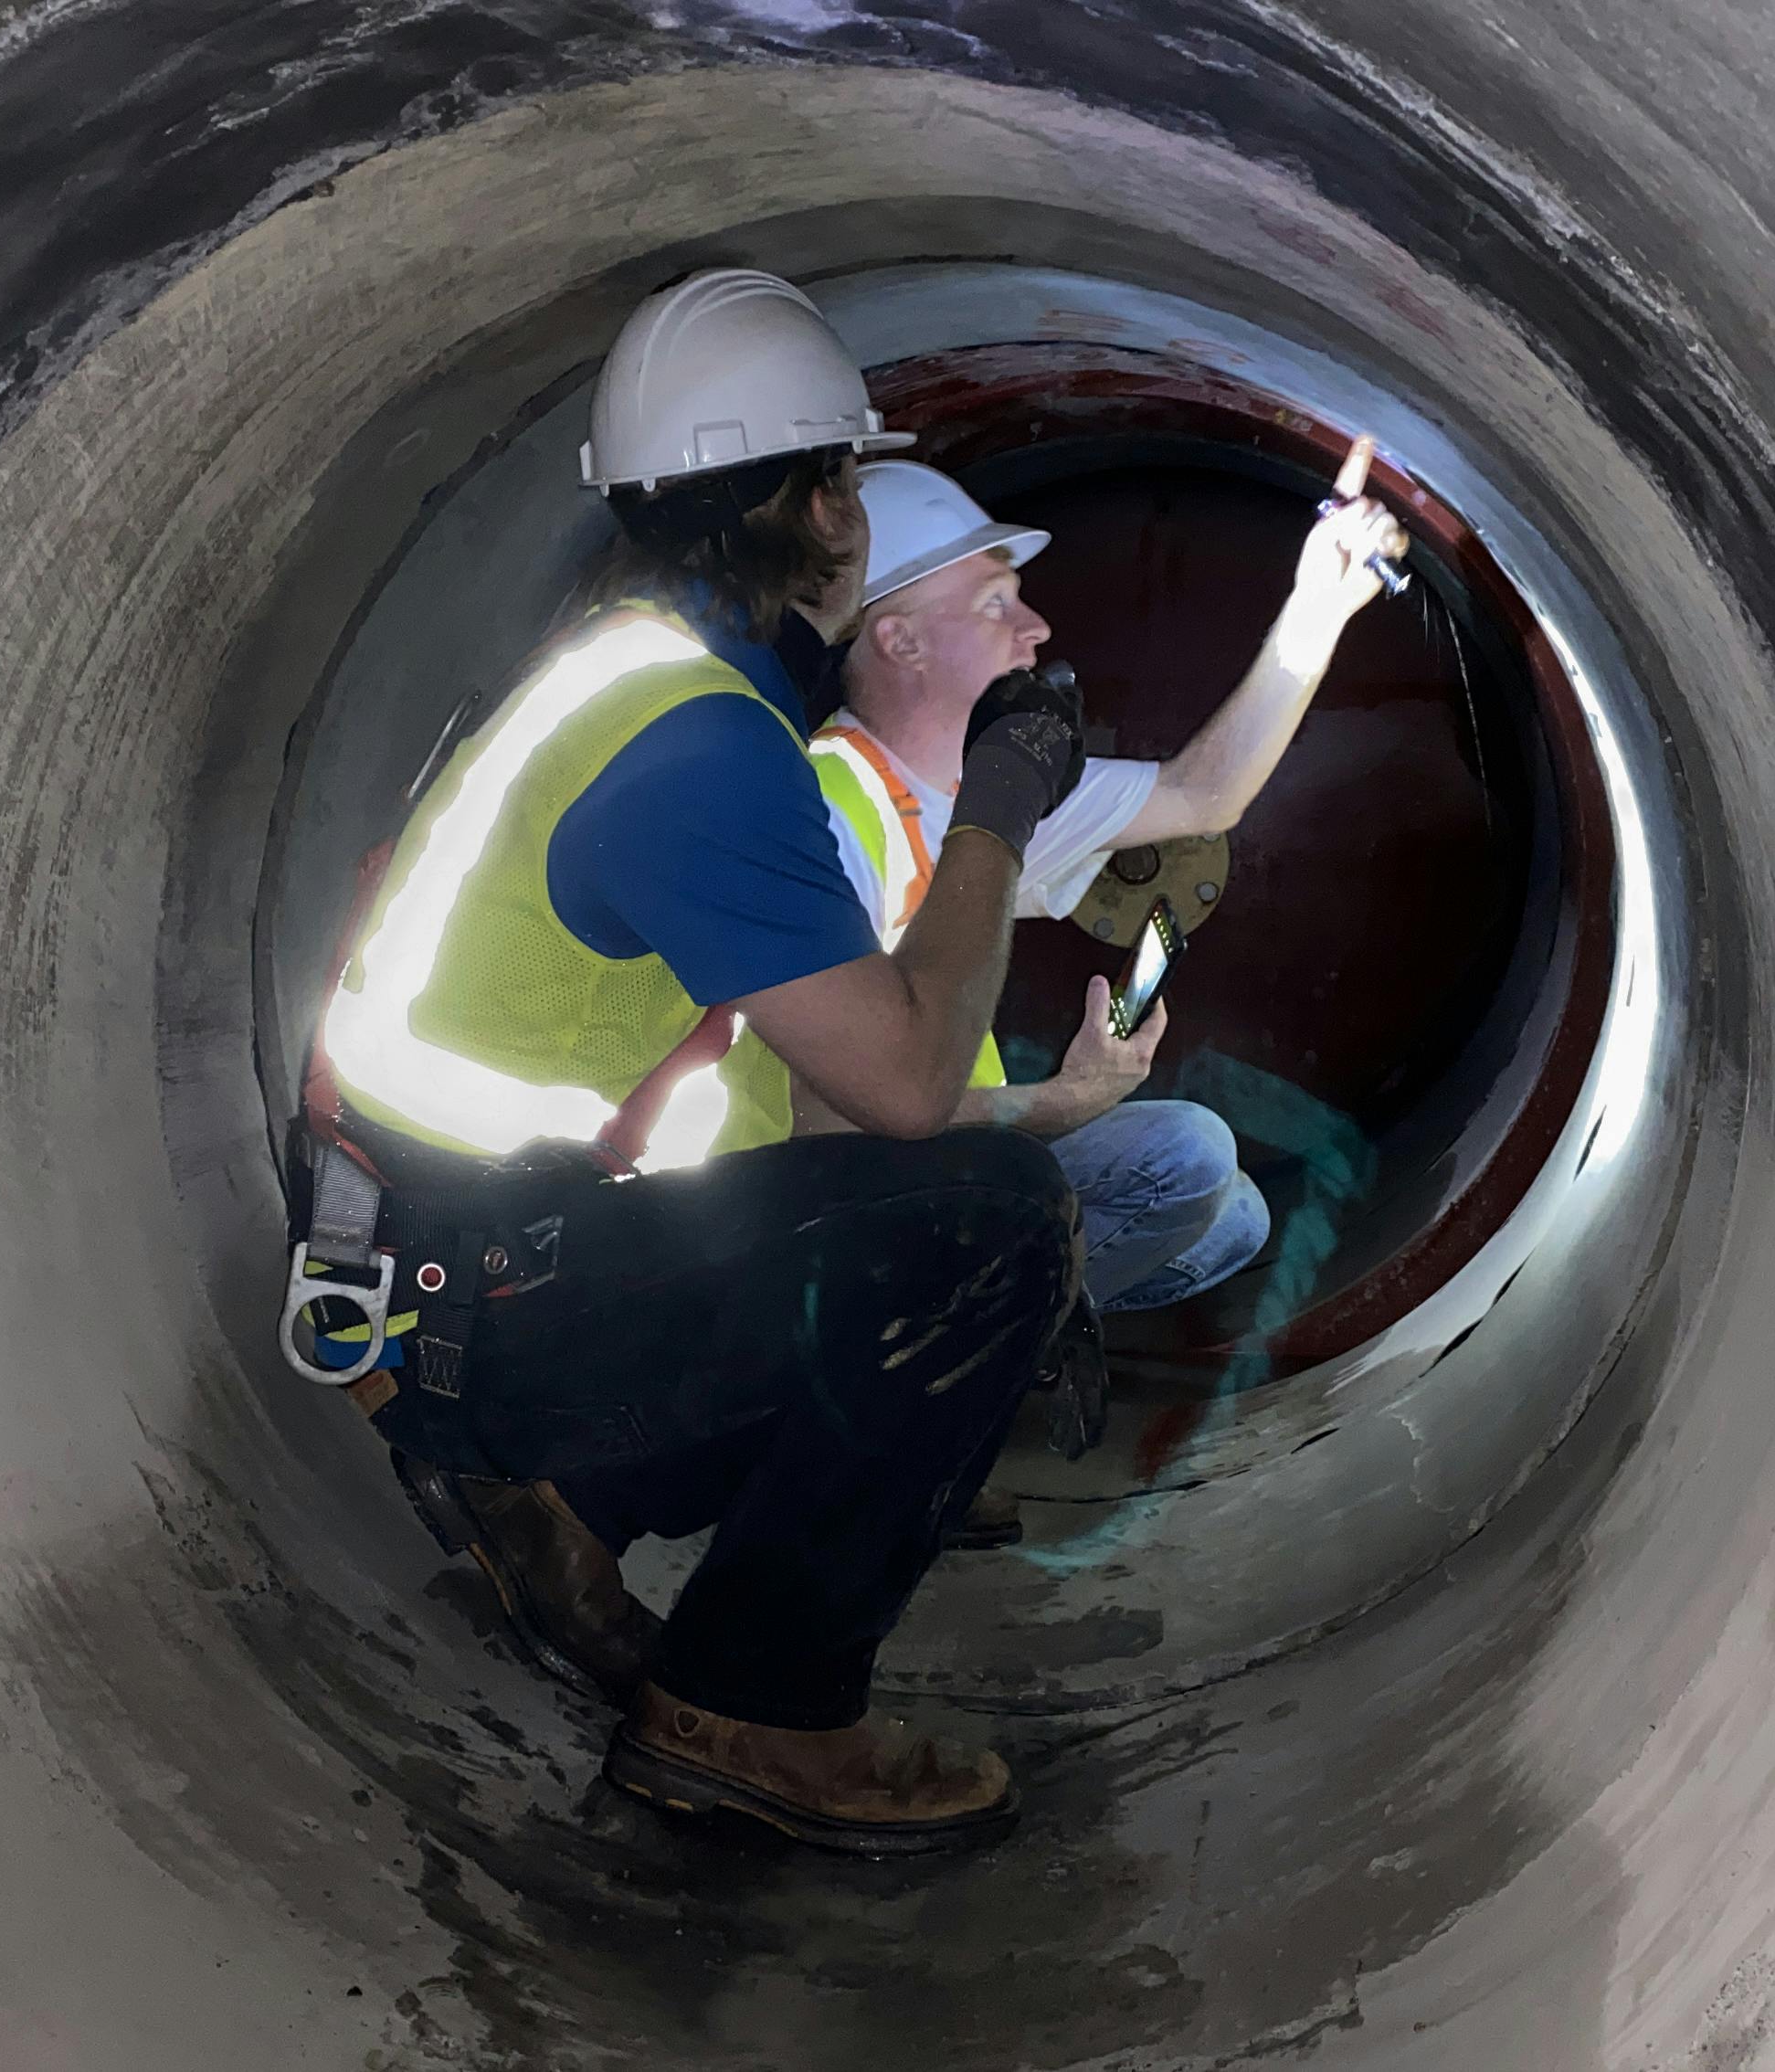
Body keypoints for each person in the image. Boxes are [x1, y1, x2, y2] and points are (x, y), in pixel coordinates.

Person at [299, 269, 1096, 1855]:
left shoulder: (621, 667)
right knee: (982, 1221)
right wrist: (1001, 808)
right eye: (846, 477)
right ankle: (750, 1709)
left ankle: (564, 1508)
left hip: (425, 1253)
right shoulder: (696, 743)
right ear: (820, 505)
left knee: (839, 1206)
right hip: (483, 1298)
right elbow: (909, 1083)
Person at [803, 459, 1408, 1312]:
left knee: (1235, 1221)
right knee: (1186, 1153)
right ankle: (917, 1357)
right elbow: (834, 1119)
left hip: (935, 1162)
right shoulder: (828, 809)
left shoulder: (986, 788)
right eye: (994, 603)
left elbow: (1203, 795)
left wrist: (1319, 606)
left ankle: (979, 1342)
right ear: (899, 640)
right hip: (819, 1203)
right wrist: (1058, 1103)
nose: (1036, 626)